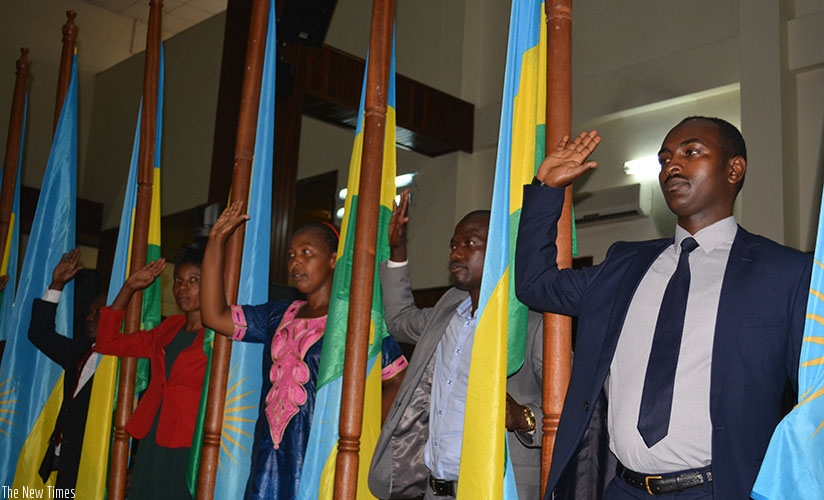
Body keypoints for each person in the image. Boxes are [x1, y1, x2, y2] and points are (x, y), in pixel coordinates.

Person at [514, 117, 813, 499]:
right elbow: (536, 284)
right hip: (621, 487)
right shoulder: (624, 265)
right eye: (664, 158)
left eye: (691, 152)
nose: (671, 166)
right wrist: (547, 190)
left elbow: (811, 401)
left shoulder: (785, 273)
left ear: (734, 169)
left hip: (719, 489)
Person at [200, 200, 408, 500]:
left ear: (334, 259)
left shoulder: (355, 321)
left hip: (321, 462)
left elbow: (398, 381)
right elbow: (214, 316)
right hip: (269, 461)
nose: (295, 263)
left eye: (306, 254)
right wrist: (216, 241)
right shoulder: (277, 315)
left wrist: (359, 433)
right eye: (291, 256)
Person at [368, 193, 544, 500]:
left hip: (499, 488)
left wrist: (523, 418)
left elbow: (573, 406)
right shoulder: (448, 307)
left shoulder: (531, 324)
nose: (456, 253)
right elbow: (399, 321)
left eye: (469, 244)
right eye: (453, 245)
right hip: (436, 489)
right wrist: (397, 251)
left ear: (500, 249)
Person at [94, 242, 209, 500]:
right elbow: (107, 342)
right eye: (178, 279)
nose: (182, 287)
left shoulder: (219, 335)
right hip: (153, 436)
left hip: (191, 443)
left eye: (194, 279)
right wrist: (129, 287)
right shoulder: (168, 329)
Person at [27, 249, 105, 491]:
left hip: (93, 471)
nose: (89, 318)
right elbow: (40, 333)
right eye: (90, 312)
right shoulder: (81, 351)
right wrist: (57, 284)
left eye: (98, 313)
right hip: (62, 465)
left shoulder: (124, 364)